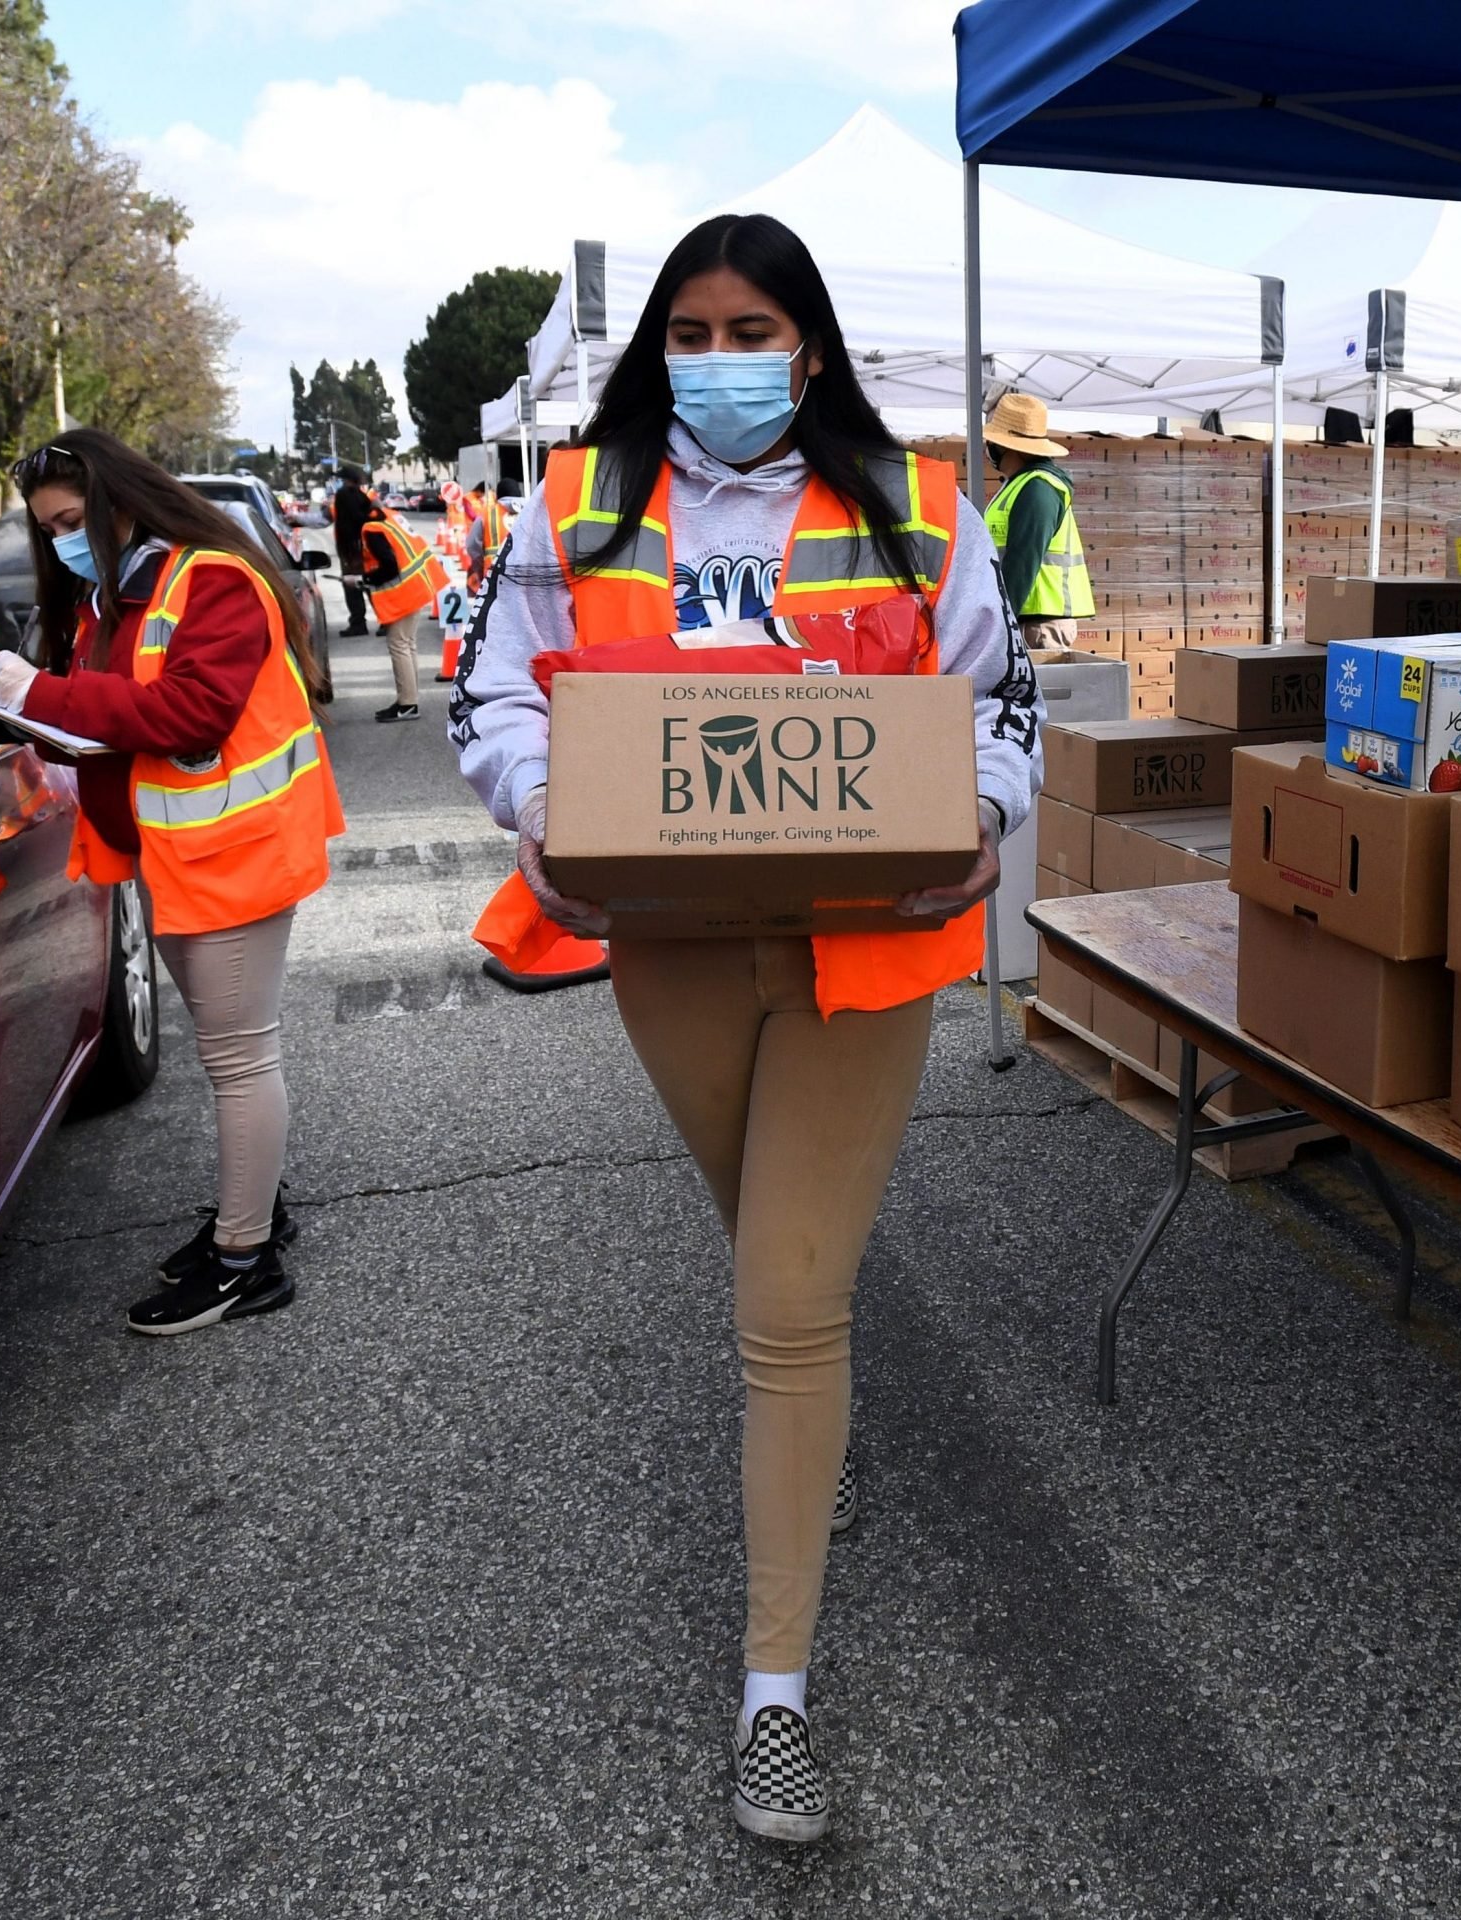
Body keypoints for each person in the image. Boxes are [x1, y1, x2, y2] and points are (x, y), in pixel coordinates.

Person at [450, 211, 1041, 1844]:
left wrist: (984, 809)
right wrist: (545, 800)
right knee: (769, 1263)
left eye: (751, 330)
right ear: (659, 350)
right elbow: (492, 698)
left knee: (786, 1299)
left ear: (814, 346)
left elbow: (998, 703)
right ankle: (811, 1448)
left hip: (867, 956)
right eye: (691, 334)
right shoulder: (578, 505)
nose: (720, 361)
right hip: (676, 952)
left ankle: (773, 1694)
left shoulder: (921, 508)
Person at [0, 427, 346, 1336]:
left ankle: (243, 1258)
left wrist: (38, 695)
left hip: (235, 855)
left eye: (71, 520)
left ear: (119, 500)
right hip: (183, 856)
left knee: (238, 1056)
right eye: (50, 527)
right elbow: (116, 715)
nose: (62, 538)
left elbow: (190, 709)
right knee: (231, 1052)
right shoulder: (118, 590)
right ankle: (250, 1217)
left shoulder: (210, 579)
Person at [981, 391, 1094, 648]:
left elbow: (1022, 562)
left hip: (1038, 626)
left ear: (1005, 446)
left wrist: (998, 623)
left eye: (992, 442)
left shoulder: (1038, 489)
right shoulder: (1021, 484)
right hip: (1027, 620)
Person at [358, 498, 450, 722]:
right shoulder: (390, 516)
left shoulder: (372, 528)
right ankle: (408, 700)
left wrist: (367, 578)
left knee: (399, 645)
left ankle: (407, 704)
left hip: (404, 591)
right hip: (420, 584)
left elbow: (389, 565)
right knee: (407, 644)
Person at [331, 466, 379, 635]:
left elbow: (354, 519)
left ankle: (358, 623)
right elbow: (367, 515)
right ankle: (386, 619)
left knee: (352, 584)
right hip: (362, 546)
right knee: (368, 583)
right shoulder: (361, 496)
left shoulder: (344, 494)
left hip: (351, 547)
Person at [464, 480, 512, 593]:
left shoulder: (487, 514)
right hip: (528, 577)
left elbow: (472, 545)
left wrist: (479, 565)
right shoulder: (532, 512)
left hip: (493, 574)